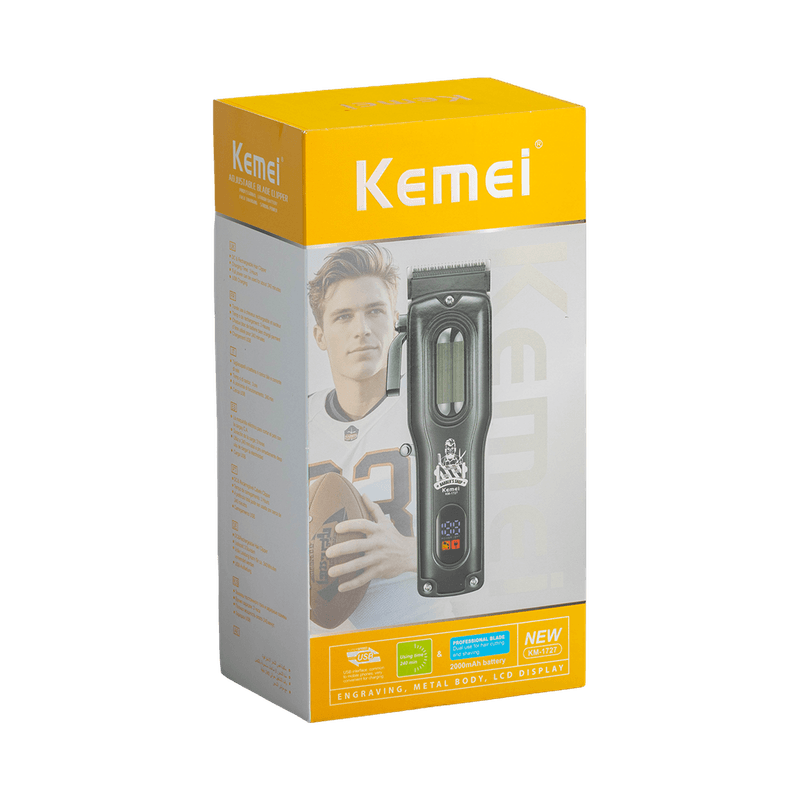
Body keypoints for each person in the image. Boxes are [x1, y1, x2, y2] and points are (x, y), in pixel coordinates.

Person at [307, 243, 448, 629]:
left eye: (374, 311)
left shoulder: (439, 409)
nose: (362, 330)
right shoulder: (294, 422)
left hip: (419, 636)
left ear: (397, 321)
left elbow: (498, 541)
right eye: (343, 316)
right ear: (320, 335)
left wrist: (409, 554)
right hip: (324, 645)